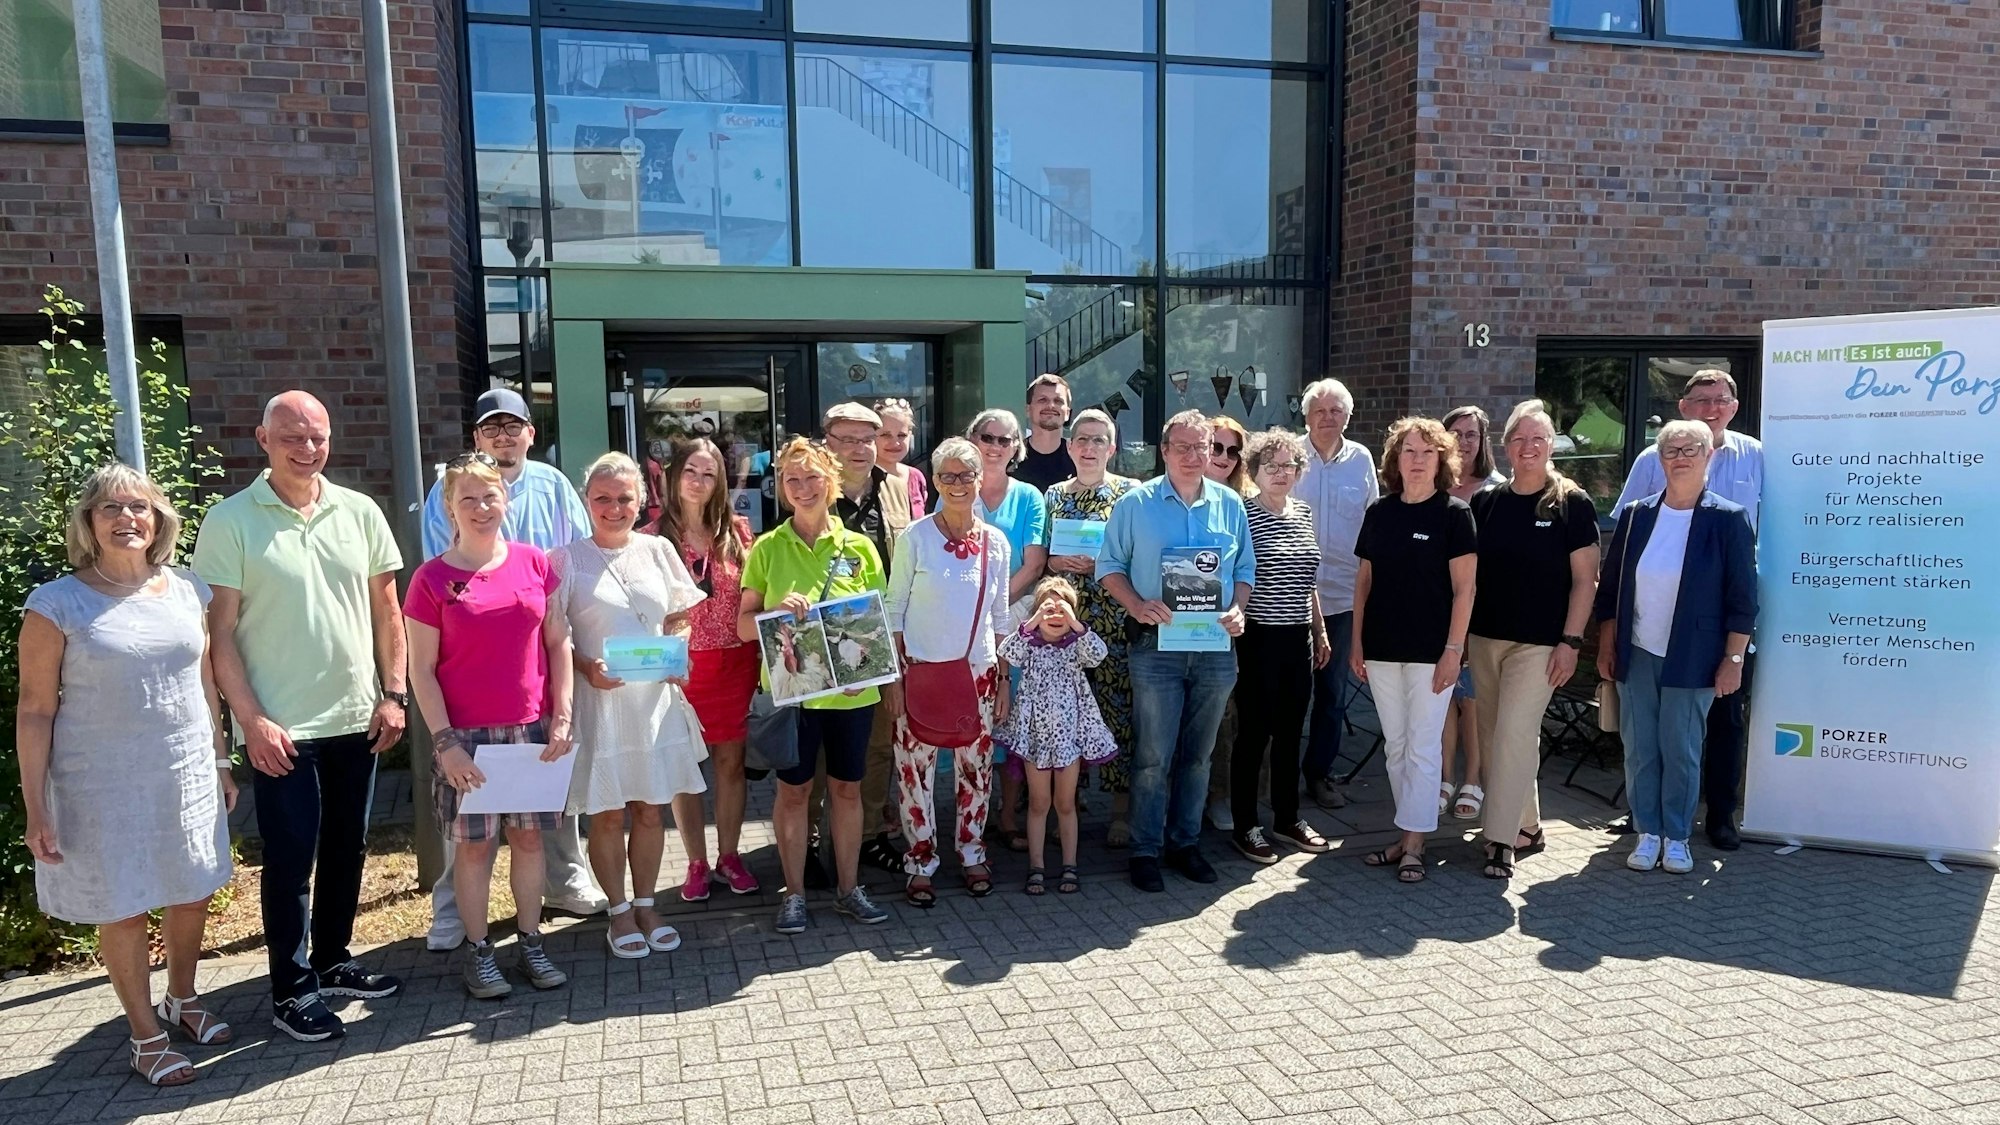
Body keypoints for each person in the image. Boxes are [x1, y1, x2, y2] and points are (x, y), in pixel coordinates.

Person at [193, 391, 407, 1042]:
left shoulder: (360, 511)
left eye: (317, 435)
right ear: (262, 437)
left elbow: (387, 613)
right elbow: (219, 635)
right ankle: (290, 990)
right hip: (282, 727)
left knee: (348, 845)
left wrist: (393, 693)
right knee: (290, 860)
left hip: (355, 716)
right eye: (291, 435)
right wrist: (250, 720)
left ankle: (334, 959)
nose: (306, 447)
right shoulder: (230, 521)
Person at [17, 466, 237, 1086]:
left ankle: (184, 999)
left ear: (158, 518)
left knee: (192, 889)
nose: (126, 518)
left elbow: (205, 683)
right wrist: (36, 805)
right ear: (89, 522)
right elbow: (35, 710)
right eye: (110, 507)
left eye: (138, 506)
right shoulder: (57, 603)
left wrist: (221, 760)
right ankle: (144, 1036)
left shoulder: (189, 590)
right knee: (125, 906)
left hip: (184, 771)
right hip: (100, 783)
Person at [419, 387, 602, 952]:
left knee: (542, 800)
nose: (503, 436)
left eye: (513, 426)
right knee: (469, 820)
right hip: (471, 675)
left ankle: (564, 878)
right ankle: (452, 907)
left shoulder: (553, 486)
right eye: (491, 427)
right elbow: (439, 568)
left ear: (529, 433)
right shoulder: (445, 492)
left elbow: (573, 562)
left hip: (538, 661)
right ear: (476, 437)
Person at [406, 453, 576, 998]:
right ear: (450, 508)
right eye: (468, 499)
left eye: (491, 496)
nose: (481, 507)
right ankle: (480, 953)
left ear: (506, 499)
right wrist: (446, 744)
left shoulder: (533, 563)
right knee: (475, 850)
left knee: (529, 842)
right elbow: (422, 673)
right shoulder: (430, 580)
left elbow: (558, 641)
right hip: (466, 741)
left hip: (529, 731)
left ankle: (529, 942)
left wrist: (563, 714)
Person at [554, 453, 710, 959]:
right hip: (600, 704)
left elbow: (681, 615)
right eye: (603, 498)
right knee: (606, 815)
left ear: (641, 501)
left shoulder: (659, 549)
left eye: (624, 498)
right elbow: (552, 637)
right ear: (586, 501)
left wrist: (676, 650)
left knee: (649, 810)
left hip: (653, 703)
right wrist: (585, 668)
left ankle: (646, 904)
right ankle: (618, 911)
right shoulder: (565, 560)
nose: (614, 507)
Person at [737, 438, 893, 933]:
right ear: (782, 488)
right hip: (793, 695)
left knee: (847, 791)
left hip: (851, 694)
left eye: (811, 478)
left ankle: (849, 889)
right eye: (791, 480)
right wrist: (775, 613)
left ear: (831, 481)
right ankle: (795, 893)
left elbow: (877, 622)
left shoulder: (859, 546)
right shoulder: (767, 547)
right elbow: (743, 627)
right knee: (794, 793)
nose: (802, 488)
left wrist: (862, 673)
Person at [1100, 409, 1256, 892]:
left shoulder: (1230, 504)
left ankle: (1184, 843)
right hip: (1156, 651)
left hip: (1214, 651)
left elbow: (1245, 571)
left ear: (1213, 452)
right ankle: (1145, 849)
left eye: (1202, 447)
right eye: (1183, 447)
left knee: (1200, 756)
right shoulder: (1135, 504)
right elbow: (1108, 566)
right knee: (1153, 756)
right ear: (1164, 452)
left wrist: (1238, 611)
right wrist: (1136, 603)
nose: (1193, 456)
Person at [1595, 420, 1757, 875]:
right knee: (1641, 747)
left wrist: (1733, 659)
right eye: (1671, 450)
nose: (1681, 457)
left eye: (1691, 449)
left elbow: (1743, 600)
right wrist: (1607, 646)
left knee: (1682, 748)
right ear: (1659, 459)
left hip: (1696, 656)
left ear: (1709, 457)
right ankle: (1647, 832)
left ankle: (1678, 836)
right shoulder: (1637, 515)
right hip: (1638, 651)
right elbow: (1610, 592)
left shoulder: (1728, 519)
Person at [1466, 401, 1600, 881]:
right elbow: (1470, 578)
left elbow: (1587, 580)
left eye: (1537, 439)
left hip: (1541, 643)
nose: (1528, 447)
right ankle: (1528, 827)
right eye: (1518, 439)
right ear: (1505, 446)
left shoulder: (1572, 503)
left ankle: (1498, 839)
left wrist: (1571, 640)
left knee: (1514, 734)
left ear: (1552, 446)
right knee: (1493, 735)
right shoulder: (1487, 502)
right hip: (1485, 638)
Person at [882, 437, 1013, 907]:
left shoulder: (995, 542)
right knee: (913, 774)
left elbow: (1000, 615)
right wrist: (894, 679)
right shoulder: (915, 537)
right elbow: (893, 611)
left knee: (975, 771)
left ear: (981, 479)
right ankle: (920, 860)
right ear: (935, 481)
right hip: (919, 672)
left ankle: (972, 852)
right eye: (947, 476)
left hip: (977, 673)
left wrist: (1004, 679)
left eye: (967, 475)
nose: (958, 485)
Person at [1351, 417, 1477, 885]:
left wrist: (1453, 650)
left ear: (1442, 459)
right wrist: (1357, 643)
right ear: (1395, 460)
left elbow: (1465, 591)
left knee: (1424, 747)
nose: (1418, 460)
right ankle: (1406, 833)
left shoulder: (1455, 514)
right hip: (1382, 648)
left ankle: (1416, 842)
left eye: (1427, 452)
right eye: (1409, 451)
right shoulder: (1380, 513)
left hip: (1432, 652)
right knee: (1397, 747)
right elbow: (1363, 584)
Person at [657, 438, 762, 895]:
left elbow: (755, 596)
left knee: (730, 764)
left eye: (709, 473)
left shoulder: (738, 533)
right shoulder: (652, 537)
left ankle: (730, 855)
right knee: (684, 767)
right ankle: (696, 862)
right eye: (691, 472)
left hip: (735, 662)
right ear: (674, 476)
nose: (699, 482)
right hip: (681, 668)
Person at [818, 401, 913, 881]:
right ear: (827, 444)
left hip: (877, 636)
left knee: (877, 743)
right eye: (847, 439)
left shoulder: (897, 489)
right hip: (821, 635)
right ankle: (820, 842)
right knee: (819, 748)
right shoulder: (810, 489)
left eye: (867, 439)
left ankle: (871, 835)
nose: (859, 449)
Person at [1228, 429, 1332, 864]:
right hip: (1258, 637)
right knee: (1254, 733)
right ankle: (1245, 825)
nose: (1280, 473)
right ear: (1253, 471)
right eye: (1270, 465)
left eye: (1288, 465)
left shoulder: (1304, 512)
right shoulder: (1244, 514)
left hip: (1297, 638)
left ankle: (1287, 817)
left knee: (1292, 731)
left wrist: (1320, 631)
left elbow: (1309, 582)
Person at [1040, 408, 1141, 846]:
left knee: (1118, 715)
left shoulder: (1132, 494)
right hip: (1067, 628)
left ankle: (1120, 809)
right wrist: (1053, 562)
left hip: (1116, 625)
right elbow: (1038, 555)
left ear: (1112, 448)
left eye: (1099, 440)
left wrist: (1102, 564)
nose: (1089, 447)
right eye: (1082, 439)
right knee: (1070, 714)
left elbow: (1142, 555)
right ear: (1069, 445)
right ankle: (1072, 802)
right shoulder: (1053, 496)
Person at [993, 578, 1117, 895]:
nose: (1055, 614)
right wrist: (1035, 617)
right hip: (1035, 741)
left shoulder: (1076, 646)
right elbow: (1006, 650)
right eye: (1048, 608)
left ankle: (1069, 865)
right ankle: (1036, 866)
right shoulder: (1030, 645)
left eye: (1062, 608)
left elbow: (1099, 653)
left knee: (1065, 804)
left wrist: (1073, 620)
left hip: (1068, 744)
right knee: (1038, 804)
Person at [966, 407, 1049, 850]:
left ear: (1016, 448)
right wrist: (979, 609)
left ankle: (1007, 814)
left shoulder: (1031, 497)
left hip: (1017, 619)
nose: (995, 447)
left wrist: (995, 604)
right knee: (977, 720)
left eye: (1005, 440)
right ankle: (970, 815)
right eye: (988, 437)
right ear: (973, 440)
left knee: (1015, 716)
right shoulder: (955, 490)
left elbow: (1034, 562)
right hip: (969, 624)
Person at [1298, 378, 1377, 811]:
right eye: (1319, 411)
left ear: (1348, 416)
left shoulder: (1361, 459)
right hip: (1291, 598)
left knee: (1332, 695)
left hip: (1345, 598)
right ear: (1306, 415)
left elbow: (1372, 525)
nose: (1327, 418)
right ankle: (1274, 776)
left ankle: (1320, 774)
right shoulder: (1287, 458)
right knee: (1288, 693)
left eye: (1336, 411)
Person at [1439, 405, 1504, 821]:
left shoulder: (1497, 491)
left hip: (1481, 609)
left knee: (1473, 702)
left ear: (1483, 442)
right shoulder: (1433, 486)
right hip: (1434, 610)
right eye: (1456, 434)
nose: (1463, 442)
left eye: (1471, 434)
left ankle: (1474, 778)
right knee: (1442, 697)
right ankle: (1443, 777)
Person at [1201, 414, 1255, 833]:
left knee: (1229, 719)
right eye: (1215, 446)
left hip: (1240, 626)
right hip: (1182, 629)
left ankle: (1220, 798)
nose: (1222, 456)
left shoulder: (1247, 501)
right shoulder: (1175, 494)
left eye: (1232, 450)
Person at [1014, 373, 1077, 492]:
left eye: (1058, 401)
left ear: (1068, 413)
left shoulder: (1079, 458)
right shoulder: (1011, 457)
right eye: (1042, 400)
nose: (1051, 406)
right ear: (1028, 410)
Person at [874, 397, 929, 518]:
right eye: (885, 435)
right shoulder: (864, 477)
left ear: (910, 436)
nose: (895, 443)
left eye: (901, 435)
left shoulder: (916, 477)